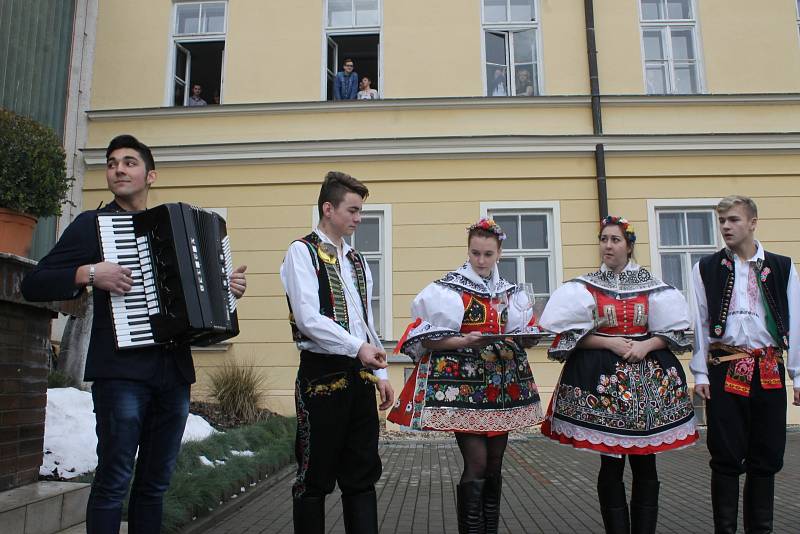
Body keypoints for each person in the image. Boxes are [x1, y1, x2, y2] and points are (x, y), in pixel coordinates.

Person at [21, 134, 247, 534]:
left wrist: (224, 291)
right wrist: (91, 273)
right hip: (121, 372)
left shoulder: (172, 226)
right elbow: (35, 282)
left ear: (150, 175)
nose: (118, 169)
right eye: (111, 163)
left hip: (173, 373)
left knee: (155, 486)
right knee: (113, 481)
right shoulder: (93, 225)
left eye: (129, 162)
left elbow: (197, 299)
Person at [539, 216, 698, 534]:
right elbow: (569, 337)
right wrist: (608, 342)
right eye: (604, 239)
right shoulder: (584, 287)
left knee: (646, 463)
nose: (607, 246)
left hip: (648, 383)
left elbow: (674, 334)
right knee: (610, 464)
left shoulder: (653, 286)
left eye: (614, 240)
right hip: (604, 385)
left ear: (629, 246)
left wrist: (648, 344)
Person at [388, 218, 543, 534]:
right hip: (463, 386)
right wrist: (466, 340)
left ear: (499, 252)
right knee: (477, 463)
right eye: (476, 253)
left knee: (495, 465)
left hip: (503, 385)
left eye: (488, 254)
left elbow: (524, 334)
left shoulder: (510, 292)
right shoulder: (449, 289)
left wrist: (528, 336)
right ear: (468, 251)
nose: (482, 260)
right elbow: (428, 339)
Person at [280, 171, 395, 534]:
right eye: (353, 210)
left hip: (359, 376)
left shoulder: (357, 262)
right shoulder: (302, 251)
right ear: (328, 208)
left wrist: (381, 375)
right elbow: (308, 318)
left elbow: (365, 320)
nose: (359, 219)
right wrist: (357, 348)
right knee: (313, 479)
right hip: (321, 375)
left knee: (361, 477)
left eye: (361, 211)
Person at [690, 195, 799, 534]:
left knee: (766, 455)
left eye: (733, 220)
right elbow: (699, 322)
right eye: (722, 220)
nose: (726, 226)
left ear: (752, 222)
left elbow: (796, 320)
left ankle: (760, 529)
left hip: (768, 367)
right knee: (724, 454)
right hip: (726, 366)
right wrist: (700, 371)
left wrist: (798, 375)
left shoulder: (781, 266)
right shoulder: (706, 268)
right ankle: (725, 529)